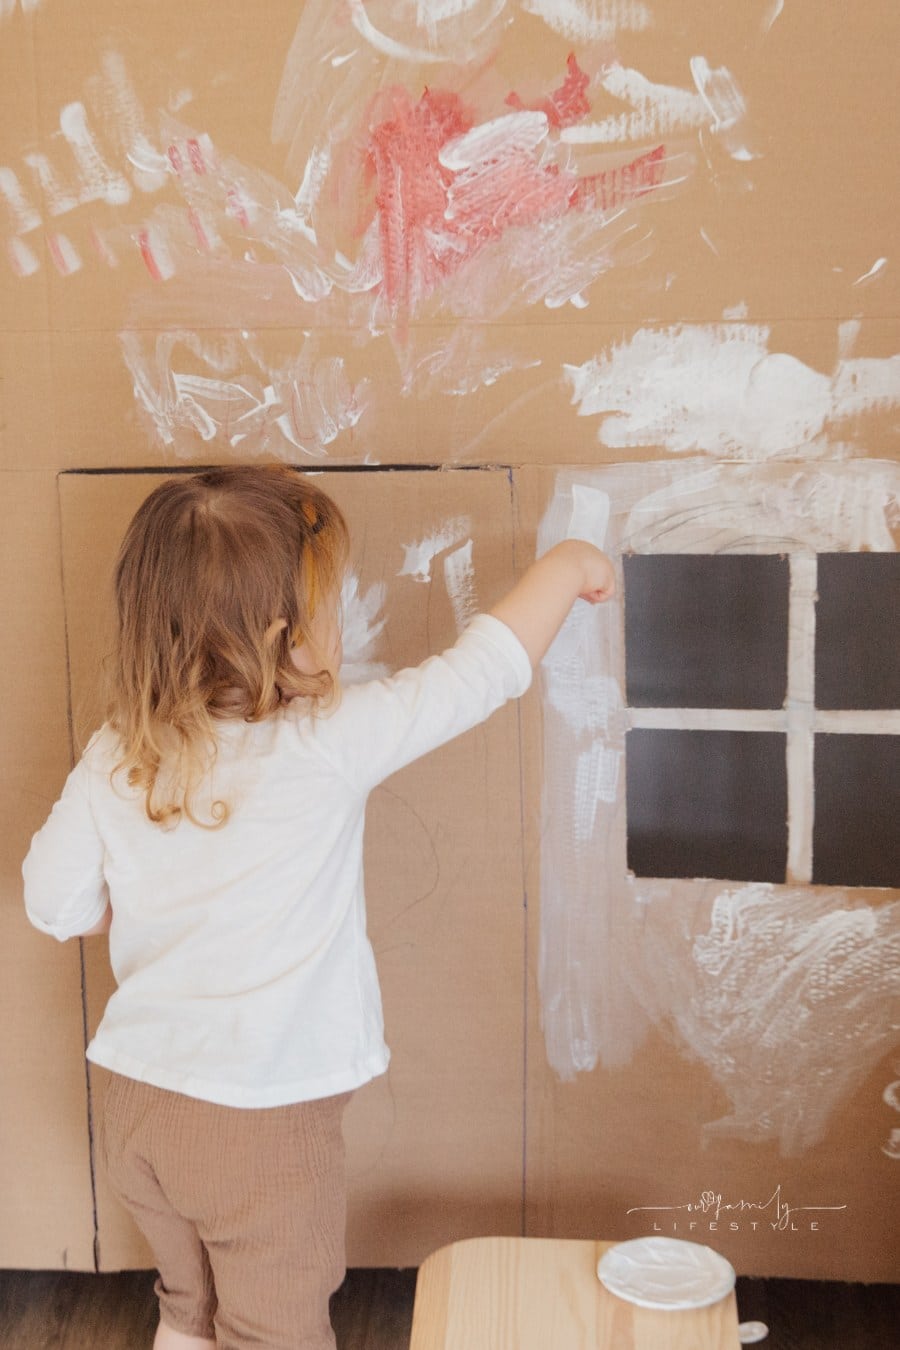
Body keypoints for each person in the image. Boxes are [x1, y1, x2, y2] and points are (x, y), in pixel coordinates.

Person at [23, 464, 615, 1350]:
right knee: (275, 1329)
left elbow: (53, 902)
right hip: (260, 1128)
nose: (346, 625)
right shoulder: (326, 743)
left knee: (188, 1305)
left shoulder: (119, 755)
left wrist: (126, 904)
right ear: (279, 637)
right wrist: (567, 565)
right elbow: (482, 670)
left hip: (139, 1108)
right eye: (334, 607)